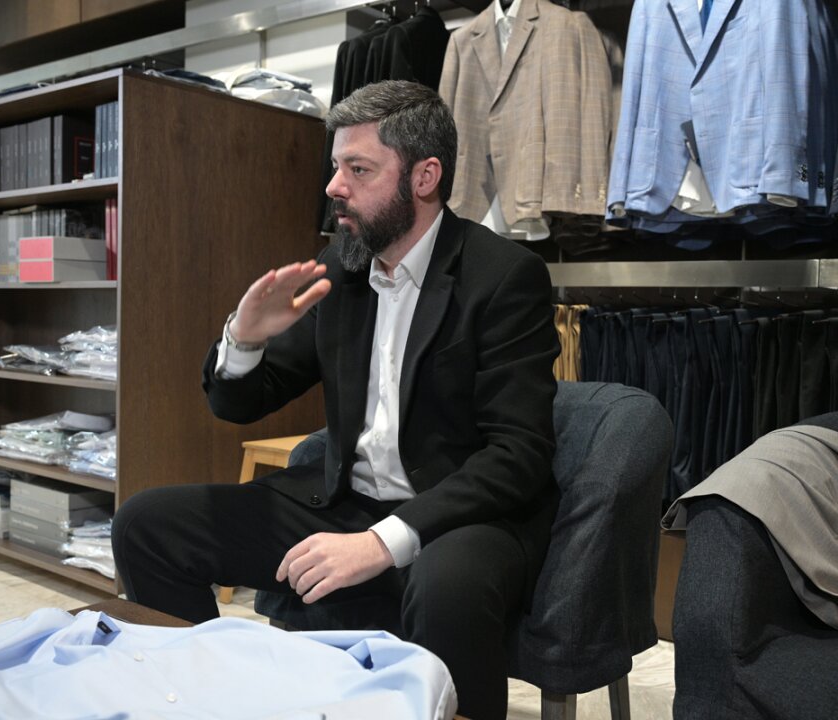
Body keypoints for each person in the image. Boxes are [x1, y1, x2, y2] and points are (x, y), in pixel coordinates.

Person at [112, 80, 560, 720]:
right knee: (147, 525)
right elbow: (241, 404)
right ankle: (204, 700)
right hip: (344, 503)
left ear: (425, 176)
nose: (333, 186)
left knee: (448, 588)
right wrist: (245, 340)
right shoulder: (343, 266)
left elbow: (518, 454)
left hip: (458, 517)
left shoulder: (504, 275)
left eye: (358, 169)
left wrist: (382, 542)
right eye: (335, 167)